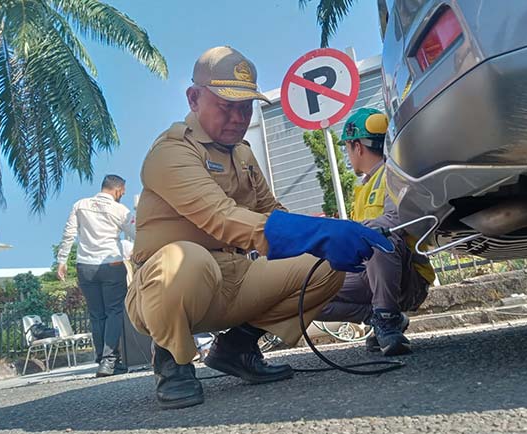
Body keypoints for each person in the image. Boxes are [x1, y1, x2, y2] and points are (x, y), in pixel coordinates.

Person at [127, 46, 393, 410]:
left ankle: (237, 348)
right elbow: (220, 216)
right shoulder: (171, 152)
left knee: (324, 263)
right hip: (172, 286)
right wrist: (311, 234)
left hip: (235, 276)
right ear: (193, 98)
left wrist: (322, 229)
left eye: (246, 107)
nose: (238, 117)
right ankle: (172, 361)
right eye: (226, 105)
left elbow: (271, 210)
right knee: (186, 259)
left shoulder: (243, 154)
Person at [316, 108, 436, 355]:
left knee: (378, 237)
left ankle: (386, 316)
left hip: (408, 275)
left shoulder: (394, 174)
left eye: (347, 148)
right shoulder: (366, 186)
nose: (349, 155)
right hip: (371, 273)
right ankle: (378, 318)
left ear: (357, 146)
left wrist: (351, 231)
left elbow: (396, 221)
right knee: (308, 294)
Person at [57, 174, 135, 377]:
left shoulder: (80, 205)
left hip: (86, 266)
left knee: (96, 314)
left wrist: (62, 260)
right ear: (118, 190)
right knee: (114, 312)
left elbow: (69, 233)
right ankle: (109, 361)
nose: (122, 196)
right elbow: (136, 233)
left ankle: (102, 359)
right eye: (123, 192)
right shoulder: (120, 210)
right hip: (111, 263)